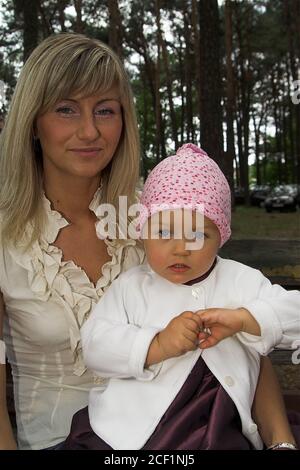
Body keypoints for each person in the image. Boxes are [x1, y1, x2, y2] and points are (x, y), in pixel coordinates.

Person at [62, 144, 300, 450]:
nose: (180, 248)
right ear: (144, 232)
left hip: (216, 425)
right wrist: (155, 345)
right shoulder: (132, 286)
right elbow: (95, 346)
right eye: (163, 233)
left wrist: (246, 319)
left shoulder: (241, 280)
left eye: (198, 235)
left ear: (221, 236)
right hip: (132, 429)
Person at [0, 32, 145, 450]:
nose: (89, 130)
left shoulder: (152, 220)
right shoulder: (6, 237)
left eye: (105, 110)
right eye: (66, 109)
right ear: (33, 121)